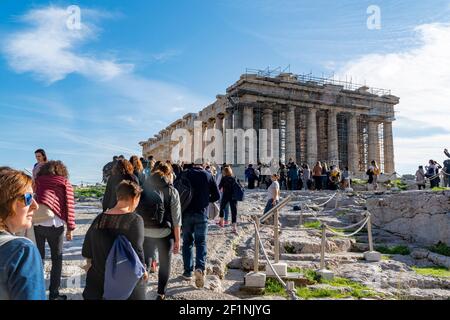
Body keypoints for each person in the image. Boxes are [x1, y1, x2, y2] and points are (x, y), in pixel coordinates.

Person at [82, 181, 148, 300]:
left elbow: (87, 248)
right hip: (124, 280)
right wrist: (143, 269)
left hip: (99, 279)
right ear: (135, 198)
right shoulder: (135, 220)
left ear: (118, 196)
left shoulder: (99, 218)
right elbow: (137, 249)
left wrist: (89, 263)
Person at [0, 169, 46, 300]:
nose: (35, 206)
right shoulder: (21, 250)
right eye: (28, 198)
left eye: (34, 197)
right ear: (6, 202)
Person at [34, 160, 75, 300]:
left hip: (37, 223)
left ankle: (36, 292)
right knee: (57, 259)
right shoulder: (64, 182)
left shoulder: (38, 181)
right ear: (61, 170)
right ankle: (54, 294)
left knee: (38, 259)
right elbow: (69, 205)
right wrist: (70, 227)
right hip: (55, 225)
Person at [139, 164, 181, 300]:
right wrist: (177, 241)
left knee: (145, 262)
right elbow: (177, 219)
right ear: (168, 175)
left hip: (145, 231)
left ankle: (141, 290)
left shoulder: (143, 189)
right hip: (165, 232)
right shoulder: (172, 191)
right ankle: (161, 293)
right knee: (165, 263)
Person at [182, 162, 220, 288]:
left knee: (187, 242)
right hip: (201, 213)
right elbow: (217, 195)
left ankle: (187, 272)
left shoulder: (185, 174)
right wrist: (205, 199)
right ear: (203, 164)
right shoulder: (208, 175)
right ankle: (200, 268)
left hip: (186, 213)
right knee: (201, 243)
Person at [218, 167, 239, 233]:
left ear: (225, 172)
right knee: (234, 211)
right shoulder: (233, 178)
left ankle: (222, 222)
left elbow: (219, 187)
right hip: (233, 197)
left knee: (222, 208)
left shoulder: (224, 178)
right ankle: (234, 227)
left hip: (225, 195)